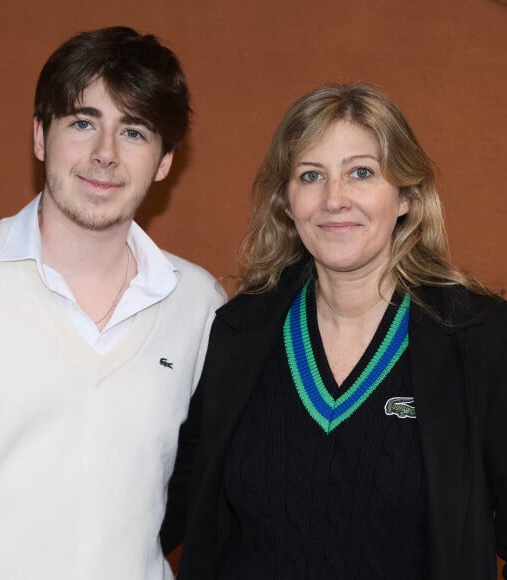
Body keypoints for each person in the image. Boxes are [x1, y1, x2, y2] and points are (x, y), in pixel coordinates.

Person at [174, 83, 507, 579]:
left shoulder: (477, 336)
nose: (335, 199)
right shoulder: (237, 334)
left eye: (361, 173)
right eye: (311, 176)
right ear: (287, 203)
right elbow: (171, 506)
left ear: (406, 197)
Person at [0, 26, 224, 579]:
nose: (104, 154)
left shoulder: (200, 304)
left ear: (164, 161)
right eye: (83, 123)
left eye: (133, 132)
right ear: (41, 136)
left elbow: (202, 488)